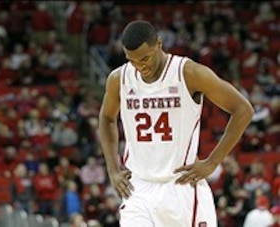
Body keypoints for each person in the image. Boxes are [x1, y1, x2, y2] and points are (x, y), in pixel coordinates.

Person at [98, 20, 254, 227]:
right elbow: (107, 118)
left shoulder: (189, 73)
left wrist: (212, 162)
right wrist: (113, 169)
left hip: (181, 187)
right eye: (132, 60)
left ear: (159, 44)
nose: (139, 66)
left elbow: (243, 109)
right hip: (139, 189)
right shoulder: (119, 78)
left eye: (145, 58)